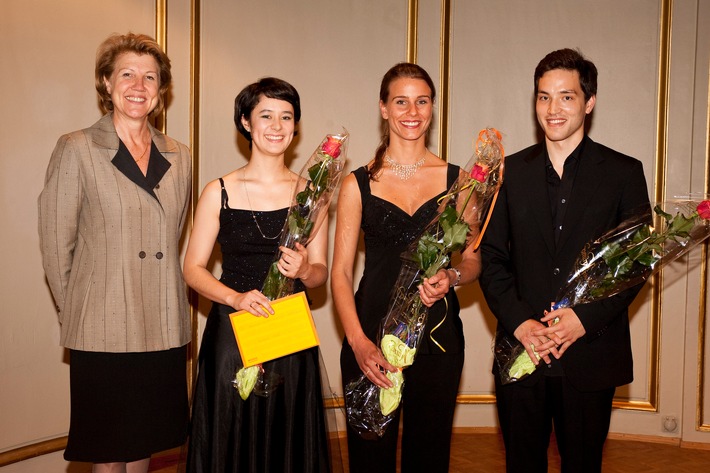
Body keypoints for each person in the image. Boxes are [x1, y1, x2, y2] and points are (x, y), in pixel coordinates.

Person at [479, 48, 651, 473]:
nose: (552, 109)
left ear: (589, 102)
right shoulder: (508, 172)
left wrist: (583, 319)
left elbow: (634, 265)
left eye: (566, 97)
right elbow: (493, 259)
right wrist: (521, 323)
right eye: (543, 97)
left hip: (591, 353)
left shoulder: (624, 172)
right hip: (522, 351)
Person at [38, 33, 192, 472]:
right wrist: (83, 312)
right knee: (107, 452)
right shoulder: (77, 148)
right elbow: (55, 245)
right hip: (101, 327)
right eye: (127, 74)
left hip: (161, 322)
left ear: (161, 90)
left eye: (150, 76)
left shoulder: (179, 155)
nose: (138, 85)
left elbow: (172, 234)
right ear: (106, 83)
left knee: (145, 441)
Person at [331, 62, 481, 473]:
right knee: (370, 456)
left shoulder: (460, 180)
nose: (411, 112)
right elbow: (340, 274)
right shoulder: (356, 184)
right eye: (401, 101)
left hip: (437, 336)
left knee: (428, 455)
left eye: (422, 101)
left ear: (432, 107)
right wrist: (359, 343)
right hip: (372, 335)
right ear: (383, 108)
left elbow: (473, 258)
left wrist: (452, 277)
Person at [184, 77, 331, 472]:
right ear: (246, 123)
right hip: (232, 334)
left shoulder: (311, 195)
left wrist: (305, 269)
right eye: (266, 115)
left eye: (287, 117)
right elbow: (192, 269)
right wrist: (235, 298)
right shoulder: (219, 191)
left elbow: (320, 274)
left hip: (289, 336)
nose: (277, 126)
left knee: (286, 440)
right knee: (230, 439)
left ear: (296, 127)